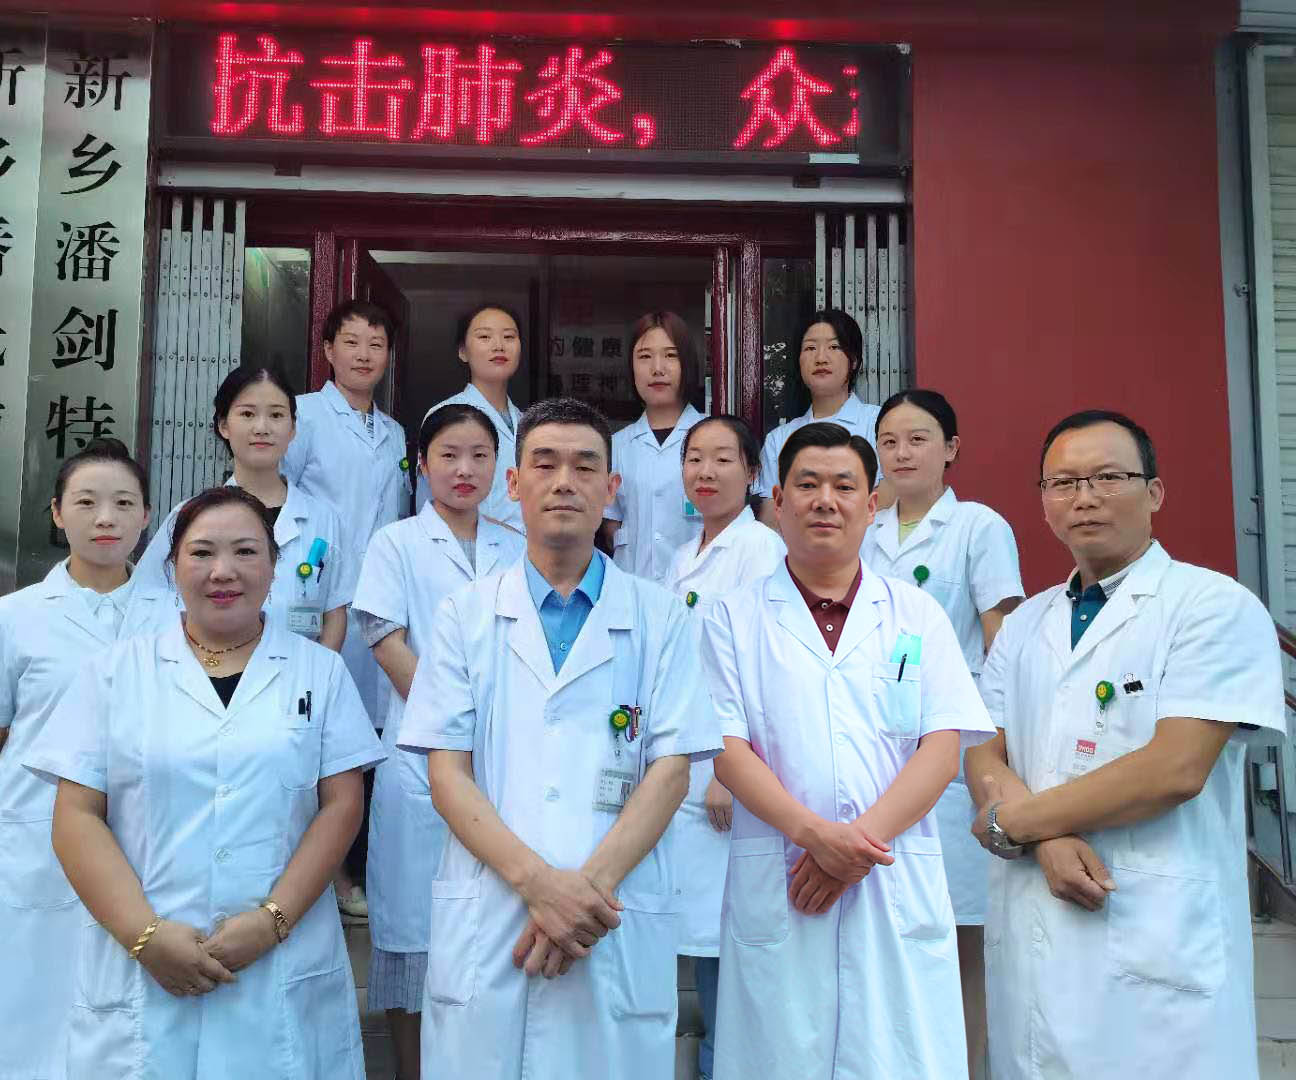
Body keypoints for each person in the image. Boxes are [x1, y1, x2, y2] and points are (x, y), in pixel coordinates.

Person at [398, 397, 723, 1080]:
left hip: (610, 916)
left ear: (611, 489)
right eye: (544, 464)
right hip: (495, 915)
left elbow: (671, 771)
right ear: (515, 485)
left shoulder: (661, 617)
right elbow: (447, 775)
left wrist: (581, 896)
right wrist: (539, 886)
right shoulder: (463, 615)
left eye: (585, 466)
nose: (564, 482)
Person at [965, 410, 1286, 1080]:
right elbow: (983, 751)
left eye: (1108, 477)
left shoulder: (1212, 607)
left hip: (1154, 938)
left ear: (1155, 492)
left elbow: (1175, 768)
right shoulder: (1025, 624)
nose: (1084, 497)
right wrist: (1047, 841)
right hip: (1034, 921)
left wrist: (1016, 823)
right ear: (1044, 501)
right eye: (1063, 482)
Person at [24, 486, 384, 1079]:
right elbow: (76, 815)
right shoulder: (115, 673)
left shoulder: (320, 672)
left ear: (274, 567)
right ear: (172, 567)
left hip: (281, 962)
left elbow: (341, 806)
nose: (223, 571)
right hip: (144, 967)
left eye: (245, 552)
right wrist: (144, 936)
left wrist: (272, 921)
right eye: (201, 553)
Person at [703, 421, 993, 1080]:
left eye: (844, 486)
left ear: (872, 504)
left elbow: (942, 745)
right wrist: (814, 836)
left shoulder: (917, 616)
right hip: (784, 875)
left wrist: (854, 848)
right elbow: (727, 747)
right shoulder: (730, 618)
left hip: (889, 877)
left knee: (897, 1056)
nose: (825, 501)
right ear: (779, 501)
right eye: (807, 485)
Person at [0, 438, 167, 1080]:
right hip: (37, 838)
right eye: (87, 502)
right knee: (32, 1003)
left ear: (146, 515)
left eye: (123, 503)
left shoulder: (174, 615)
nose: (106, 518)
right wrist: (13, 821)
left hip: (146, 836)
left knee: (131, 1014)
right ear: (57, 513)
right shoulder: (13, 619)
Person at [351, 403, 526, 1080]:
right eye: (448, 455)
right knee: (413, 931)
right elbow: (385, 639)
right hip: (421, 758)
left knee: (492, 934)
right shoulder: (395, 543)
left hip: (504, 756)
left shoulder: (517, 543)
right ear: (421, 465)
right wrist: (457, 722)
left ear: (500, 469)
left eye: (480, 455)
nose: (464, 469)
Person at [859, 388, 1024, 1077]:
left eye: (918, 439)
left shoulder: (978, 527)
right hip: (874, 745)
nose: (902, 453)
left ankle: (969, 1065)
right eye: (889, 441)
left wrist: (1000, 755)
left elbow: (1001, 644)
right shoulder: (864, 527)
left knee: (960, 933)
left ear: (951, 449)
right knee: (883, 928)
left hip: (954, 752)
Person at [660, 414, 785, 1080]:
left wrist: (730, 770)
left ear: (752, 472)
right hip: (685, 762)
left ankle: (724, 1067)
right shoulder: (685, 555)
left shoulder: (760, 550)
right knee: (697, 933)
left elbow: (762, 668)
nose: (705, 472)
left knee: (726, 943)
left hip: (728, 771)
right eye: (694, 458)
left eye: (722, 459)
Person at [133, 365, 351, 650]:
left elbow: (334, 613)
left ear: (293, 429)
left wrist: (317, 672)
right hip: (207, 669)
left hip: (300, 672)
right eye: (247, 414)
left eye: (276, 415)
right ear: (224, 425)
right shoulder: (189, 516)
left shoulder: (323, 519)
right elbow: (147, 598)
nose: (262, 427)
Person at [283, 299, 411, 720]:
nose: (363, 355)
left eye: (376, 344)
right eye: (352, 342)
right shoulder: (302, 415)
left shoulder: (394, 432)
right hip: (316, 587)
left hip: (380, 594)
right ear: (328, 349)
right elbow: (278, 499)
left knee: (371, 720)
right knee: (313, 706)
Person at [600, 311, 706, 581]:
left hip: (697, 590)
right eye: (645, 356)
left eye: (670, 355)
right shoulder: (616, 446)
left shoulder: (713, 438)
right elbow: (610, 524)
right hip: (633, 587)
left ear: (687, 363)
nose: (658, 368)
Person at [756, 310, 884, 524]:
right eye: (810, 348)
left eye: (834, 347)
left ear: (853, 360)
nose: (821, 358)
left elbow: (889, 497)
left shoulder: (879, 423)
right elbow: (772, 519)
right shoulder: (778, 440)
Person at [415, 302, 525, 533]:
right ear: (463, 351)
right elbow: (429, 506)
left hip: (525, 550)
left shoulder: (528, 422)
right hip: (466, 546)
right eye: (484, 336)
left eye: (509, 337)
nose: (499, 346)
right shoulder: (445, 415)